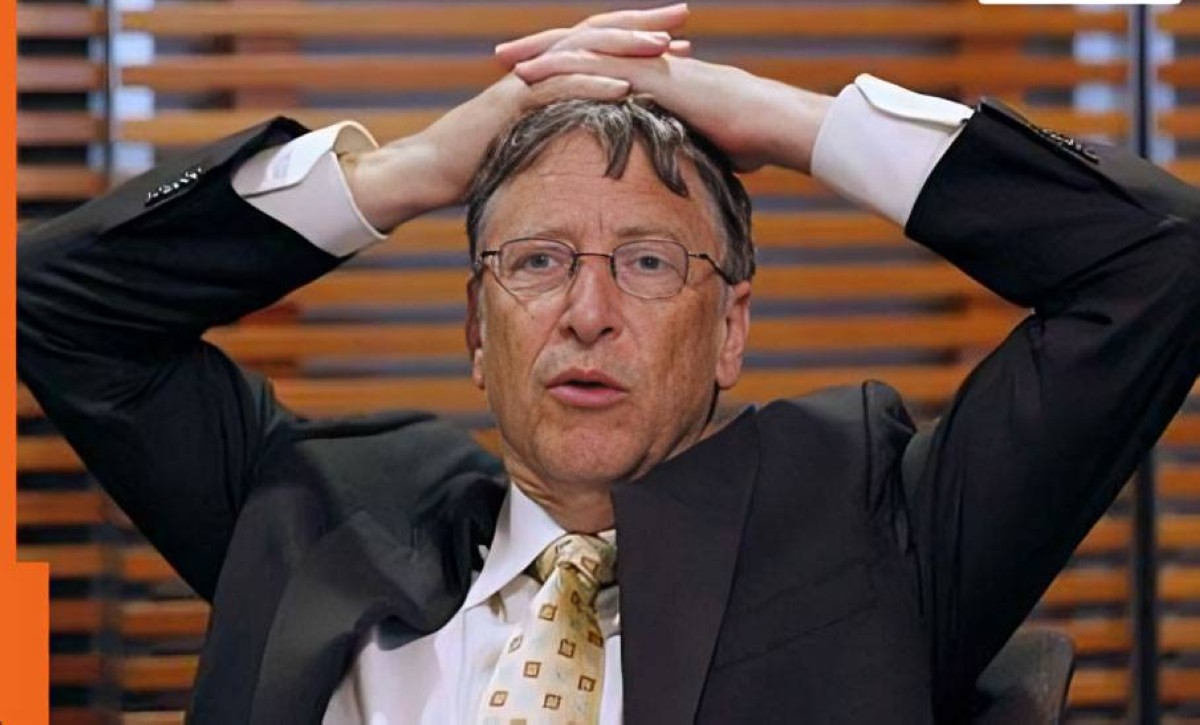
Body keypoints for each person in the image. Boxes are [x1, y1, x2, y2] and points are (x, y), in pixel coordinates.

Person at [16, 4, 1200, 723]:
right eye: (535, 262)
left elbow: (1160, 262)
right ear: (475, 327)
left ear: (730, 327)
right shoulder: (310, 508)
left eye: (646, 262)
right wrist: (415, 168)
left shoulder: (875, 532)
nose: (587, 312)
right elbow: (57, 303)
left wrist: (794, 122)